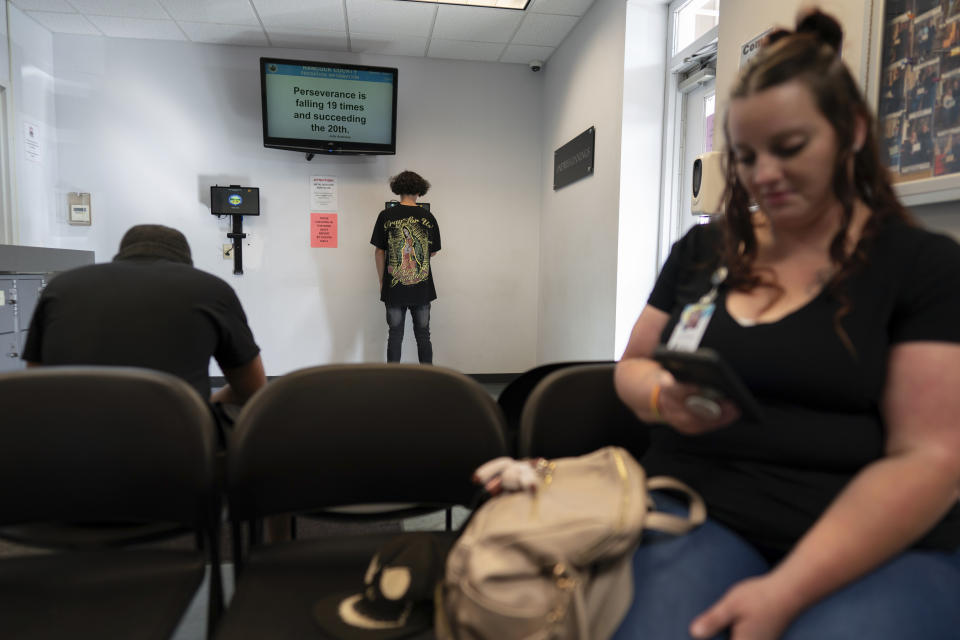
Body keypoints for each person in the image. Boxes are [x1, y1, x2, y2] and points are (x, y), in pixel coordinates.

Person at [613, 11, 960, 640]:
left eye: (789, 148)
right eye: (745, 156)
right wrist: (664, 398)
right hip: (703, 510)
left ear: (851, 131)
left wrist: (784, 592)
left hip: (878, 535)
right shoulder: (703, 253)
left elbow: (931, 457)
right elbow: (634, 366)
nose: (763, 175)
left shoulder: (924, 268)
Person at [23, 224, 266, 421]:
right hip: (179, 442)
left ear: (121, 255)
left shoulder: (60, 287)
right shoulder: (213, 289)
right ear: (185, 262)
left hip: (70, 444)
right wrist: (199, 407)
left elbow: (35, 382)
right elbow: (253, 390)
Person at [370, 170, 441, 364]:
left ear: (398, 189)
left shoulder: (386, 215)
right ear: (419, 190)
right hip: (422, 288)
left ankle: (393, 381)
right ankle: (427, 379)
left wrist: (382, 281)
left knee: (394, 335)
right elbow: (432, 252)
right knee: (423, 336)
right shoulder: (428, 217)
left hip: (394, 288)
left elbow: (379, 252)